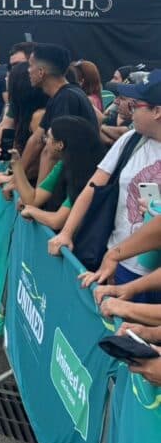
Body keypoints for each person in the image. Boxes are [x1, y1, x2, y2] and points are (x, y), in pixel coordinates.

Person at [49, 71, 161, 303]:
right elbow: (94, 185)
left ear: (157, 111)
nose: (130, 110)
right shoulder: (131, 139)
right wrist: (67, 232)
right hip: (114, 259)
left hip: (152, 276)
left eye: (136, 105)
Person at [12, 116, 106, 230]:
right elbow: (33, 200)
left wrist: (32, 211)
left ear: (60, 145)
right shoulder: (62, 164)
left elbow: (57, 221)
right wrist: (16, 164)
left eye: (48, 137)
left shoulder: (88, 176)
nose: (45, 142)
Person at [21, 43, 98, 181]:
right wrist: (16, 176)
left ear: (41, 72)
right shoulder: (61, 96)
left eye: (30, 65)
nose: (28, 70)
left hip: (75, 184)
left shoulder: (66, 98)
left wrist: (38, 193)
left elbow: (51, 152)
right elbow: (36, 140)